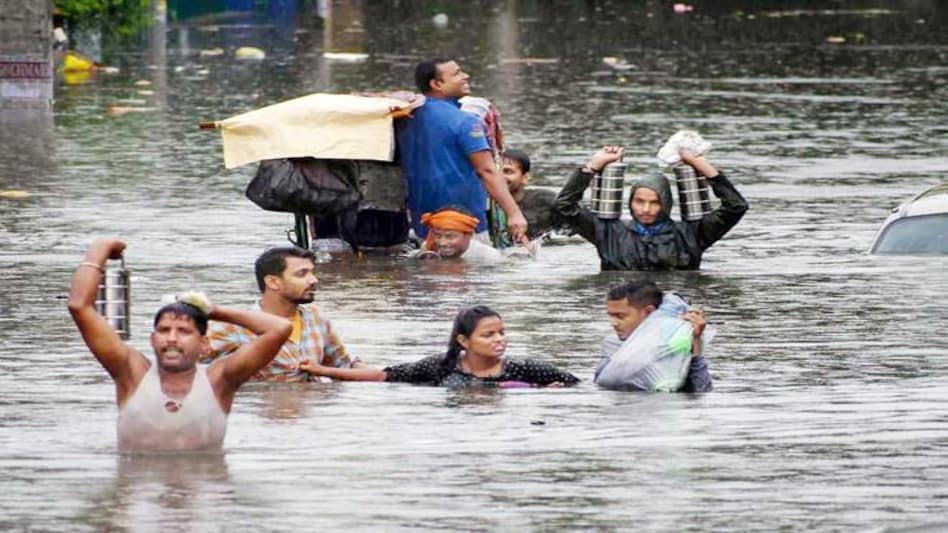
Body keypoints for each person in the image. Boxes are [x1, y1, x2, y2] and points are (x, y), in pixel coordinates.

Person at [68, 238, 292, 452]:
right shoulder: (130, 373)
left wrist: (213, 310)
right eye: (164, 330)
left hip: (206, 490)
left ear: (204, 344)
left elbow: (279, 328)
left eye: (184, 331)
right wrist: (99, 248)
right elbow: (80, 307)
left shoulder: (220, 379)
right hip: (139, 488)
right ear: (152, 339)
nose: (172, 338)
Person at [396, 58, 528, 244]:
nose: (465, 76)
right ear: (437, 84)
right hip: (465, 224)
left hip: (424, 224)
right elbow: (487, 170)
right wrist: (514, 213)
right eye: (457, 73)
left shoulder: (404, 118)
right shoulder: (465, 121)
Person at [554, 145, 749, 270]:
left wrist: (704, 167)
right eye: (639, 201)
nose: (646, 209)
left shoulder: (692, 233)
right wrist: (592, 166)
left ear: (666, 204)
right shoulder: (608, 231)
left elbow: (736, 206)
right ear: (630, 202)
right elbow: (564, 206)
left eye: (655, 202)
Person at [297, 305, 579, 388]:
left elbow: (576, 386)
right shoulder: (439, 367)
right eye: (489, 335)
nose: (499, 340)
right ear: (464, 342)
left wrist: (546, 394)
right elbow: (382, 375)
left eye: (502, 333)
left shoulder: (524, 368)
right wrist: (321, 370)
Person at [202, 246, 363, 382]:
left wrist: (385, 374)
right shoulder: (235, 326)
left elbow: (343, 367)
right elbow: (189, 370)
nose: (314, 280)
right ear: (273, 282)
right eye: (302, 274)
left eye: (312, 273)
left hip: (311, 415)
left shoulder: (316, 318)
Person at [595, 279, 712, 392]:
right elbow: (600, 385)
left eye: (620, 316)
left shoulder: (671, 345)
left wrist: (696, 341)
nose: (613, 323)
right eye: (611, 316)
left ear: (649, 312)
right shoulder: (613, 344)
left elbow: (700, 392)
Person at [489, 148, 566, 247]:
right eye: (496, 171)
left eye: (507, 171)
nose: (500, 177)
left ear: (525, 178)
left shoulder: (545, 201)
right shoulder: (485, 205)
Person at [415, 207, 503, 263]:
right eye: (438, 236)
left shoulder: (488, 257)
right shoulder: (428, 249)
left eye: (450, 236)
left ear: (469, 235)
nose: (442, 243)